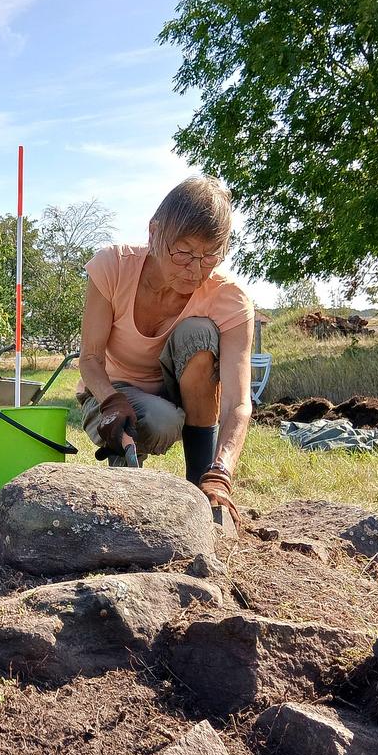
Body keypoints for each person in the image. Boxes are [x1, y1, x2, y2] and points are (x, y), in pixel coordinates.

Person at [78, 175, 253, 517]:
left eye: (209, 257)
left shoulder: (229, 299)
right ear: (154, 232)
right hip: (107, 393)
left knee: (198, 333)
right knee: (158, 421)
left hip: (175, 395)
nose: (195, 269)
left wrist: (222, 471)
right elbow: (90, 359)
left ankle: (201, 483)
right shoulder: (112, 267)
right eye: (184, 252)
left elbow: (236, 401)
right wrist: (112, 400)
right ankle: (124, 479)